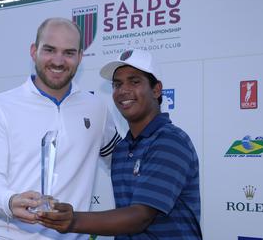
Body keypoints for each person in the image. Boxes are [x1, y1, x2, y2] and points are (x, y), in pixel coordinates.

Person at [0, 17, 121, 240]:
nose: (58, 61)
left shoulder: (96, 108)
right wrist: (10, 201)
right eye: (50, 50)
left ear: (80, 57)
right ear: (34, 51)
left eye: (69, 53)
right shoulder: (0, 106)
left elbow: (121, 162)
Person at [37, 49, 202, 239]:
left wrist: (73, 220)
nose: (123, 90)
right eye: (117, 84)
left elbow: (140, 217)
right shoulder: (122, 148)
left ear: (156, 90)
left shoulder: (170, 141)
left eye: (134, 81)